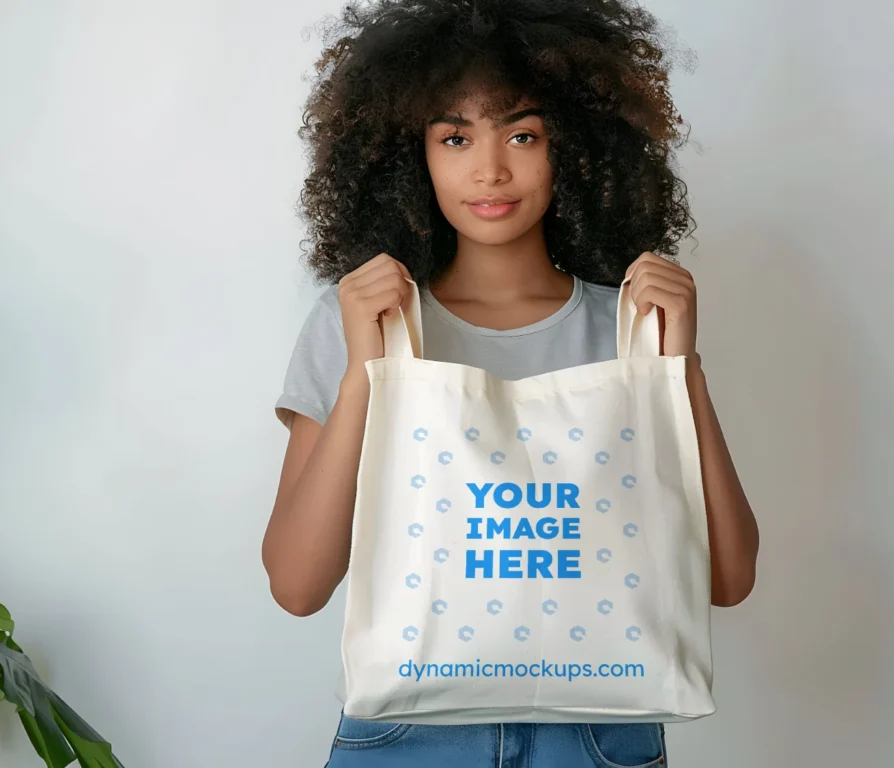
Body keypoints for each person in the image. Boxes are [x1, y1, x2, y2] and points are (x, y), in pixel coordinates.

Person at [263, 1, 759, 765]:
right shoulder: (360, 321)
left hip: (600, 736)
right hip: (407, 738)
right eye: (454, 136)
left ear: (579, 148)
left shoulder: (627, 327)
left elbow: (727, 578)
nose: (490, 168)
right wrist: (371, 372)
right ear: (409, 154)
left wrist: (675, 369)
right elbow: (296, 587)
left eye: (523, 134)